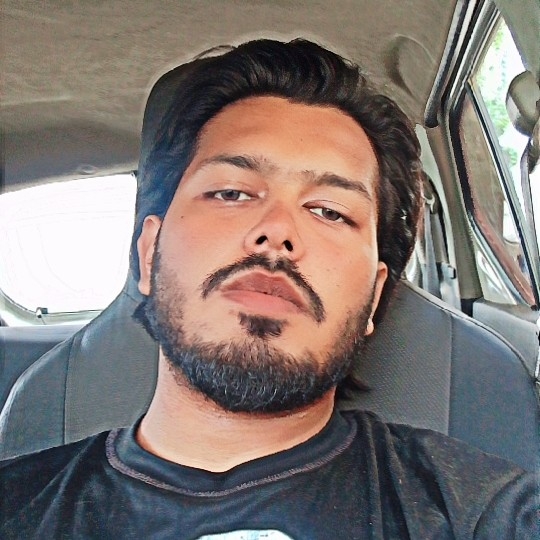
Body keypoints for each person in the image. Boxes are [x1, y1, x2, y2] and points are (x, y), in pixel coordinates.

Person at [0, 39, 537, 539]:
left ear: (374, 298)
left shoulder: (481, 512)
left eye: (330, 211)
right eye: (231, 192)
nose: (277, 231)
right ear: (148, 254)